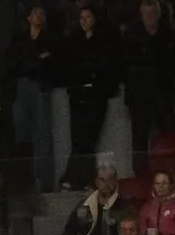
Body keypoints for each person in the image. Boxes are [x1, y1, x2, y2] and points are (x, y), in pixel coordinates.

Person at [121, 0, 175, 167]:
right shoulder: (131, 37)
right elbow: (121, 64)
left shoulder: (169, 36)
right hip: (139, 96)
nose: (150, 17)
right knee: (139, 139)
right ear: (141, 16)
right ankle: (141, 175)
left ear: (159, 14)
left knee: (172, 135)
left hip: (163, 94)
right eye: (146, 14)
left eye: (152, 13)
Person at [60, 4, 120, 190]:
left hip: (96, 95)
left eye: (87, 17)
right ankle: (79, 178)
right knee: (78, 138)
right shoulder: (74, 40)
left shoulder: (104, 40)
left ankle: (78, 178)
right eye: (81, 18)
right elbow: (69, 65)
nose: (84, 21)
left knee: (89, 138)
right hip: (78, 94)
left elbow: (107, 65)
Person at [4, 7, 58, 192]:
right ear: (28, 17)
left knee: (42, 135)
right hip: (21, 86)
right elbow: (12, 62)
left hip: (40, 86)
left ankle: (43, 182)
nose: (40, 16)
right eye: (36, 13)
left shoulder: (49, 39)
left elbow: (50, 64)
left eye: (43, 13)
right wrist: (36, 60)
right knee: (22, 135)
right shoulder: (19, 39)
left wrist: (32, 62)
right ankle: (23, 179)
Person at [57, 161, 123, 235]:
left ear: (115, 181)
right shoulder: (84, 206)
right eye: (102, 180)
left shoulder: (123, 206)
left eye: (110, 179)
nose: (106, 184)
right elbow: (69, 231)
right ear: (97, 182)